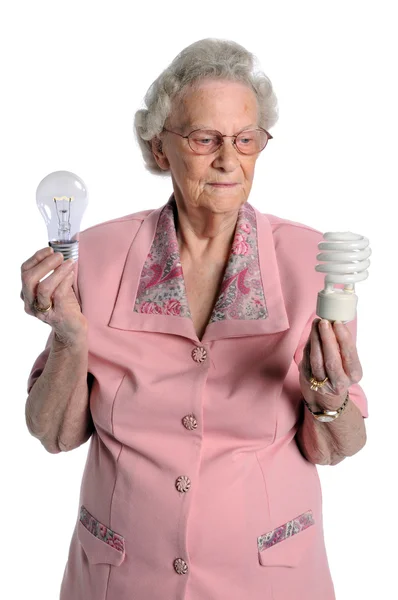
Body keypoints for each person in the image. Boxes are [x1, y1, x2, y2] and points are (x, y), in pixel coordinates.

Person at [21, 38, 368, 600]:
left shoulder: (313, 265)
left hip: (270, 581)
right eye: (205, 139)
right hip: (123, 579)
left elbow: (338, 447)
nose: (229, 159)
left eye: (246, 139)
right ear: (161, 149)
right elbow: (54, 434)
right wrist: (69, 339)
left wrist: (327, 396)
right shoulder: (95, 256)